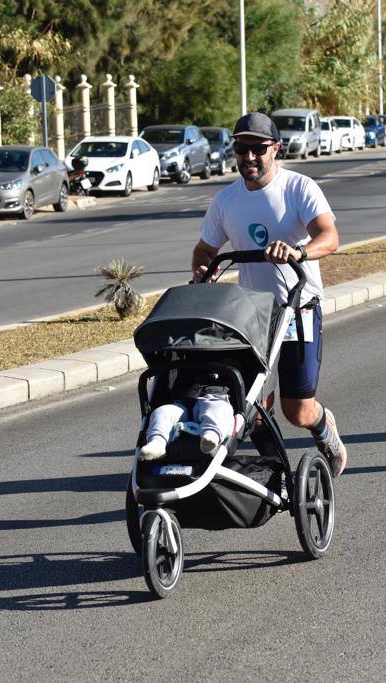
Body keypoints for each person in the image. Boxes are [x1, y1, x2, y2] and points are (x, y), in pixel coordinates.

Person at [191, 112, 349, 475]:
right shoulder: (226, 200)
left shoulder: (299, 188)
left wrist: (299, 252)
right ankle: (276, 471)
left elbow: (330, 236)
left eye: (258, 149)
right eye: (242, 148)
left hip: (298, 309)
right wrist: (203, 269)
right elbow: (205, 249)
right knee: (249, 406)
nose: (249, 157)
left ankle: (326, 429)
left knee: (297, 410)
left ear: (276, 148)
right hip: (252, 315)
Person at [139, 374, 238, 459]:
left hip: (214, 399)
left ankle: (211, 435)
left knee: (219, 410)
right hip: (184, 404)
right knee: (161, 412)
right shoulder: (183, 358)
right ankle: (157, 442)